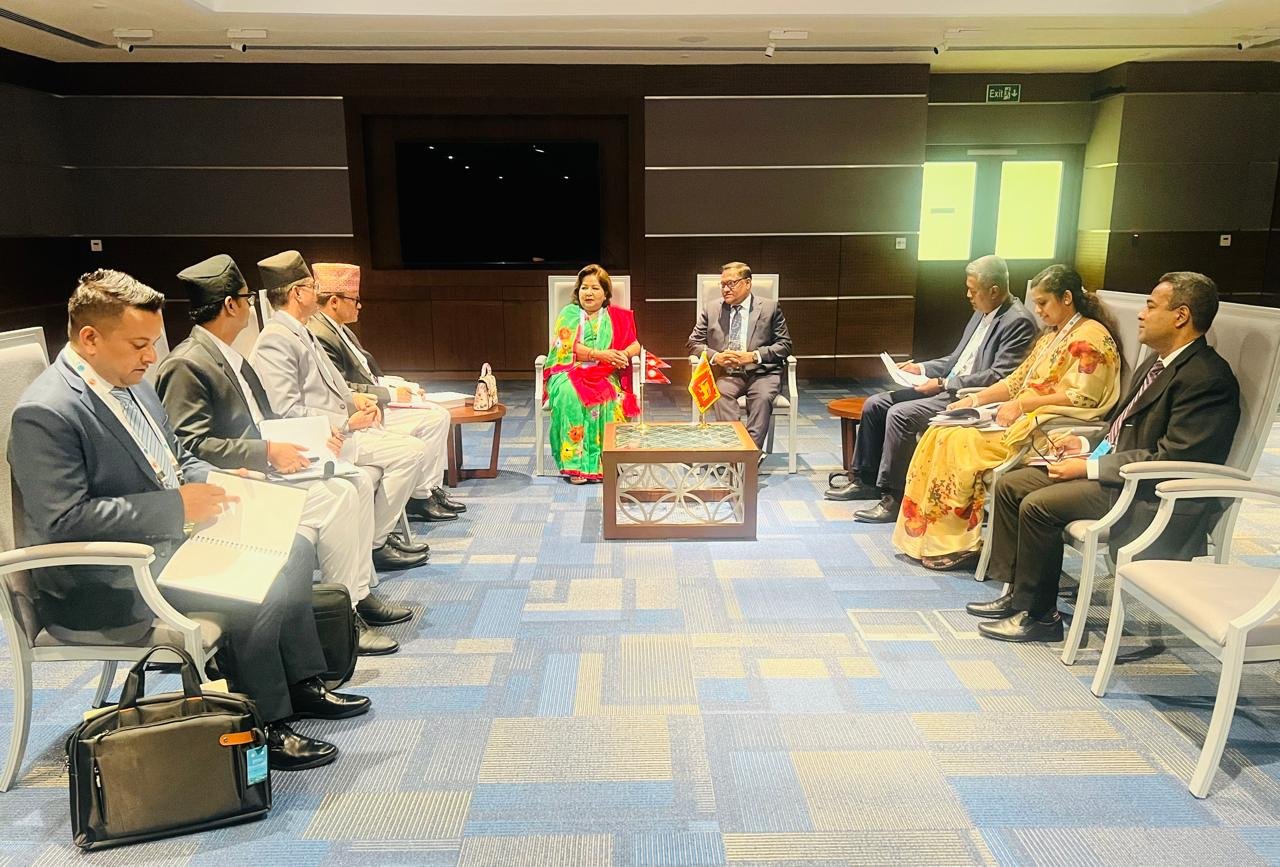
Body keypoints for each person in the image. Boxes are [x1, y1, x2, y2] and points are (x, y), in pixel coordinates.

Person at [8, 269, 370, 771]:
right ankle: (261, 723)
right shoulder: (47, 412)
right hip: (102, 582)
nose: (150, 357)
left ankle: (301, 683)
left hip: (163, 545)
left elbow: (177, 458)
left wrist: (220, 483)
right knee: (254, 582)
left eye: (153, 344)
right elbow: (63, 521)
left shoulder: (131, 383)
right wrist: (178, 507)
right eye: (139, 345)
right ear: (89, 339)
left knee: (294, 546)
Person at [155, 254, 416, 657]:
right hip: (237, 481)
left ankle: (358, 595)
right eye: (246, 298)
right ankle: (342, 615)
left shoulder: (225, 353)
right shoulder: (188, 363)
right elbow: (190, 446)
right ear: (230, 305)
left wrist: (302, 440)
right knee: (340, 497)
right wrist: (266, 452)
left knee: (355, 483)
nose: (252, 306)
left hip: (266, 463)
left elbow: (265, 419)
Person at [967, 271, 1241, 643]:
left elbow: (1175, 457)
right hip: (1120, 473)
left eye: (1150, 306)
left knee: (1038, 506)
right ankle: (1018, 593)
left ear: (1181, 316)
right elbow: (1120, 427)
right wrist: (1083, 447)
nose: (1141, 314)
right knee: (1012, 484)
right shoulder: (1158, 362)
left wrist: (1090, 466)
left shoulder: (1206, 378)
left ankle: (1040, 617)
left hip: (1149, 493)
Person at [891, 265, 1122, 571]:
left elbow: (1082, 396)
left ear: (1067, 298)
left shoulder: (1090, 338)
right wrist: (975, 400)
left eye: (1043, 303)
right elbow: (1015, 381)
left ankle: (957, 543)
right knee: (940, 431)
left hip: (1049, 428)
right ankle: (927, 537)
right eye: (1036, 303)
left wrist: (1023, 404)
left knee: (959, 443)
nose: (1037, 311)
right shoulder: (1052, 335)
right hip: (1020, 416)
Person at [251, 251, 433, 567]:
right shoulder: (275, 339)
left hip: (339, 428)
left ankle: (376, 539)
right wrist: (347, 420)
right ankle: (375, 544)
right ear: (297, 293)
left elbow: (331, 386)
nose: (317, 292)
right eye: (312, 286)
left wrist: (355, 401)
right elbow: (286, 410)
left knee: (413, 444)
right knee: (412, 452)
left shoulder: (301, 329)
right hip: (322, 439)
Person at [828, 255, 1038, 525]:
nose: (968, 295)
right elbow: (957, 360)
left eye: (973, 290)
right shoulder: (981, 312)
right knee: (876, 404)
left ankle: (895, 498)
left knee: (900, 415)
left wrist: (943, 384)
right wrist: (921, 368)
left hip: (969, 398)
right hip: (947, 386)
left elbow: (999, 376)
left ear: (994, 290)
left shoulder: (1018, 322)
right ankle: (866, 481)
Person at [308, 262, 464, 522]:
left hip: (374, 399)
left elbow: (367, 372)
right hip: (364, 410)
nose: (359, 306)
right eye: (355, 300)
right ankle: (420, 497)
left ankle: (428, 490)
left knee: (437, 415)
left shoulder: (341, 329)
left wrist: (401, 386)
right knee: (432, 419)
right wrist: (389, 394)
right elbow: (343, 388)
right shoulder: (321, 334)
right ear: (334, 301)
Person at [543, 264, 640, 483]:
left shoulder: (616, 316)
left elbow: (635, 345)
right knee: (570, 394)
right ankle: (575, 466)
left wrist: (622, 354)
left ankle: (601, 463)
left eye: (595, 288)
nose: (588, 293)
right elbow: (565, 346)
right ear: (577, 291)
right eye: (584, 287)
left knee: (607, 397)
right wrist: (599, 354)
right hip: (569, 370)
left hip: (603, 372)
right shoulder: (569, 314)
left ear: (605, 293)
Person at [687, 262, 793, 452]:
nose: (725, 289)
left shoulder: (769, 308)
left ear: (748, 283)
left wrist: (753, 356)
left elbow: (784, 346)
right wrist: (716, 357)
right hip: (729, 374)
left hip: (763, 373)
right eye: (722, 284)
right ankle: (735, 451)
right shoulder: (712, 309)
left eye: (731, 283)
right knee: (720, 394)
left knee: (762, 398)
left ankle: (750, 454)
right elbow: (693, 344)